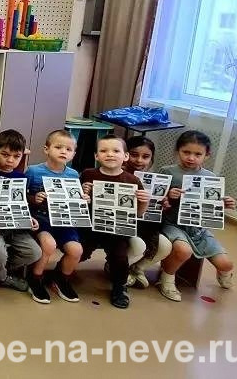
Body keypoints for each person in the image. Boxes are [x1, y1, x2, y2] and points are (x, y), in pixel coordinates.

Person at [155, 131, 237, 302]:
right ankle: (167, 279)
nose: (191, 158)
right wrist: (169, 195)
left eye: (198, 154)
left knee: (226, 264)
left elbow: (211, 205)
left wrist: (223, 203)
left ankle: (223, 273)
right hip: (172, 224)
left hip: (198, 229)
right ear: (177, 151)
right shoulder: (167, 171)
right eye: (186, 152)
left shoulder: (210, 177)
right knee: (183, 251)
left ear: (207, 155)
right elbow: (155, 197)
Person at [78, 135, 150, 308]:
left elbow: (138, 213)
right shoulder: (88, 174)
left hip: (117, 230)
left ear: (125, 156)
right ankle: (60, 273)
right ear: (96, 156)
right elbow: (78, 204)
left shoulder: (133, 181)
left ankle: (120, 286)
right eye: (104, 151)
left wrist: (144, 201)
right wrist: (83, 194)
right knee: (80, 252)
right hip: (90, 227)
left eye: (116, 151)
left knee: (119, 257)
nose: (110, 154)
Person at [0, 130, 42, 292]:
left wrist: (30, 218)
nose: (10, 160)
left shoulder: (22, 178)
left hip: (15, 227)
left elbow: (22, 203)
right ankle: (2, 277)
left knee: (34, 252)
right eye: (5, 154)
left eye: (16, 156)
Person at [25, 130, 86, 304]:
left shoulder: (73, 174)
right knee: (49, 245)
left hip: (64, 221)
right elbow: (21, 196)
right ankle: (35, 277)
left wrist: (83, 198)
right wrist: (34, 198)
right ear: (46, 149)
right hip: (41, 220)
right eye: (58, 147)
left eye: (68, 149)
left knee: (76, 250)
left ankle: (61, 279)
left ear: (74, 153)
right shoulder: (33, 171)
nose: (63, 151)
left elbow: (74, 198)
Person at [122, 135, 173, 288]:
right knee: (138, 245)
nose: (139, 160)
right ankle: (116, 267)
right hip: (123, 226)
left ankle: (137, 268)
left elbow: (160, 209)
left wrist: (164, 203)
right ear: (125, 154)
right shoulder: (116, 173)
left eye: (145, 157)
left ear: (151, 159)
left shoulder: (156, 181)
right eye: (134, 154)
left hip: (146, 226)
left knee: (165, 245)